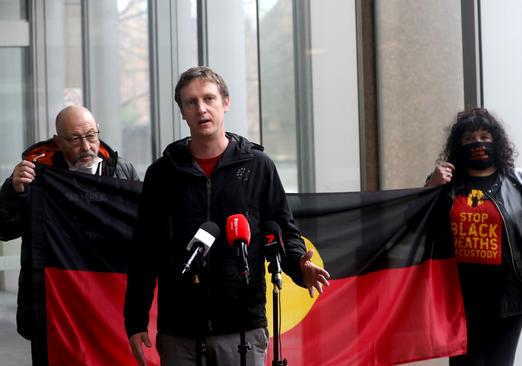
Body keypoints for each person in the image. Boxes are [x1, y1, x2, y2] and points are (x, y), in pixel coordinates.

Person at [124, 66, 330, 366]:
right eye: (191, 102)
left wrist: (300, 266)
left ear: (226, 102)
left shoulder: (259, 166)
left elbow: (282, 229)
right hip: (179, 331)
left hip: (242, 327)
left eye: (209, 98)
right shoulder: (162, 174)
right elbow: (145, 250)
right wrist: (135, 318)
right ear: (182, 112)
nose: (201, 109)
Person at [424, 108, 522, 366]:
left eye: (485, 136)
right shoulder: (445, 184)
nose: (478, 143)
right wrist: (431, 189)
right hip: (458, 302)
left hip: (508, 301)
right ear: (458, 146)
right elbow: (420, 229)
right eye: (469, 138)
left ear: (497, 141)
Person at [0, 105, 139, 340]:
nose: (86, 146)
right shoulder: (35, 176)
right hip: (56, 301)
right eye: (74, 139)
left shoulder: (121, 172)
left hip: (107, 298)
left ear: (98, 131)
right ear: (58, 141)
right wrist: (15, 193)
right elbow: (4, 229)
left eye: (91, 136)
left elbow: (141, 232)